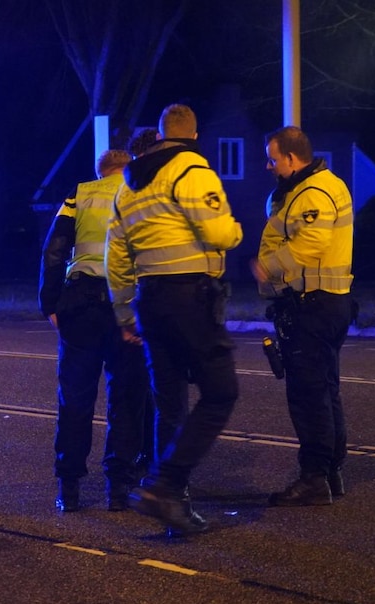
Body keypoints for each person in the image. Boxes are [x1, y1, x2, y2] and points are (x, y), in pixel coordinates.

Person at [105, 104, 243, 535]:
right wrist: (235, 230)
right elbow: (220, 234)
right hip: (190, 300)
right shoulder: (191, 171)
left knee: (170, 404)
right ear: (194, 135)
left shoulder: (129, 186)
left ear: (161, 135)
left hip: (149, 302)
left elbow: (118, 258)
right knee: (220, 392)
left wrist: (125, 313)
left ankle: (172, 502)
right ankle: (165, 485)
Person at [39, 149, 154, 513]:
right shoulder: (143, 194)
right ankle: (118, 488)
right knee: (127, 399)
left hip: (82, 306)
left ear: (100, 172)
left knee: (75, 399)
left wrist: (50, 303)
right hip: (127, 310)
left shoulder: (80, 194)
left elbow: (54, 250)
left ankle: (68, 488)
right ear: (127, 168)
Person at [252, 126, 355, 507]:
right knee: (326, 390)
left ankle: (314, 478)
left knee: (309, 395)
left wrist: (268, 269)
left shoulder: (313, 193)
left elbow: (312, 241)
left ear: (292, 159)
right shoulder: (320, 187)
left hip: (314, 305)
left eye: (274, 159)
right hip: (327, 304)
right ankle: (330, 472)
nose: (269, 166)